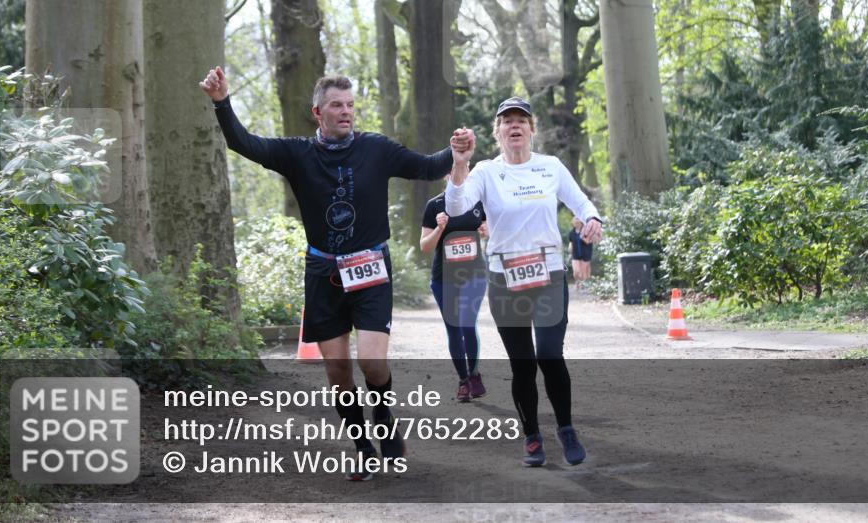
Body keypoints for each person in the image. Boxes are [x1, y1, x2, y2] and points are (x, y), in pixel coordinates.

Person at [200, 67, 472, 481]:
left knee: (372, 363)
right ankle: (363, 446)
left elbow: (426, 166)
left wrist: (456, 152)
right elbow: (244, 142)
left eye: (350, 105)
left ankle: (383, 417)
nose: (345, 112)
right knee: (338, 372)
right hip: (323, 270)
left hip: (371, 268)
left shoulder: (376, 149)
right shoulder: (296, 154)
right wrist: (222, 102)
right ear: (317, 112)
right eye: (336, 106)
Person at [445, 96, 603, 467]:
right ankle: (531, 435)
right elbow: (455, 208)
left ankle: (566, 429)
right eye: (507, 121)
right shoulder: (484, 171)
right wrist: (459, 164)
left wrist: (593, 220)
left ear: (532, 129)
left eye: (521, 120)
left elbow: (583, 204)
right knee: (523, 365)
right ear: (497, 132)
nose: (514, 126)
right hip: (505, 279)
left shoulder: (550, 167)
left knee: (550, 354)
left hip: (548, 274)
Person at [420, 184, 489, 402]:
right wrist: (440, 229)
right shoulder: (435, 205)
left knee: (468, 325)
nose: (458, 174)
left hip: (474, 275)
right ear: (446, 175)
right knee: (454, 327)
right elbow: (424, 246)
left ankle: (474, 373)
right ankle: (463, 380)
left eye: (462, 169)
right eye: (452, 170)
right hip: (444, 278)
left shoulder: (480, 202)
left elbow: (494, 231)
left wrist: (488, 231)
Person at [569, 217, 594, 291]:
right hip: (575, 254)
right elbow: (571, 241)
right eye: (574, 220)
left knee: (583, 272)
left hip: (585, 253)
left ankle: (583, 284)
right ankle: (577, 282)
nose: (575, 221)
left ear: (581, 222)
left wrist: (582, 237)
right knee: (576, 271)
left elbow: (589, 241)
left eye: (577, 219)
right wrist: (570, 247)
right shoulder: (572, 232)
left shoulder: (586, 230)